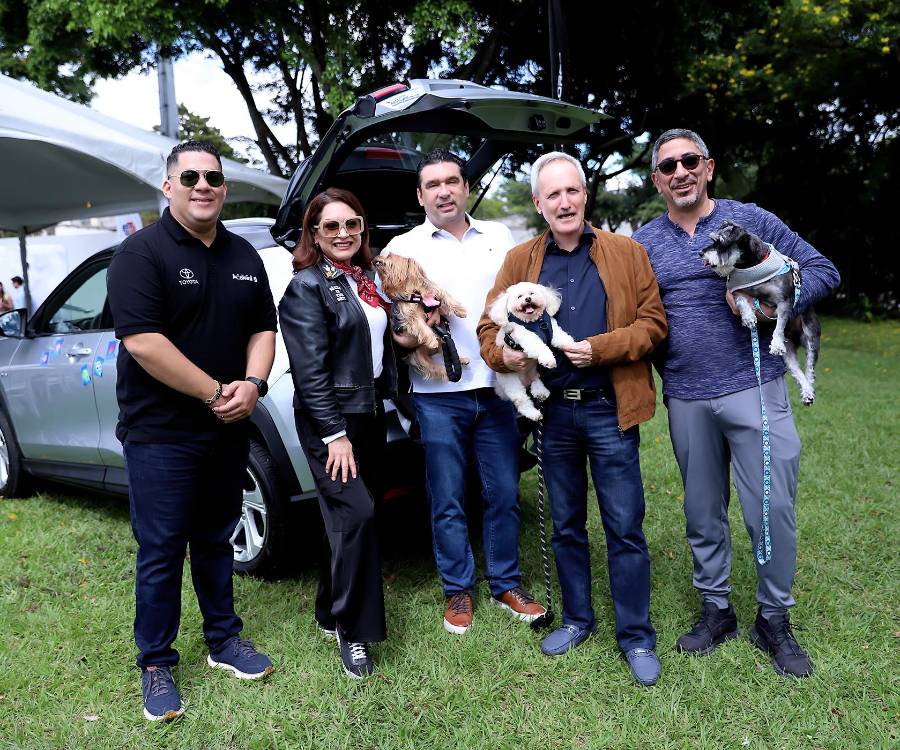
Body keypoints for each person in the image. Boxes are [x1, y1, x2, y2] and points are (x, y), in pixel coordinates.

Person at [633, 128, 841, 678]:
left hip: (755, 385)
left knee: (770, 509)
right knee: (703, 513)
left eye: (689, 161)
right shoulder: (644, 241)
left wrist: (771, 301)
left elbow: (822, 270)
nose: (680, 172)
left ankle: (773, 619)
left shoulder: (751, 220)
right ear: (656, 179)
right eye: (668, 165)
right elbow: (631, 312)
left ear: (708, 167)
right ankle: (717, 609)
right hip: (686, 396)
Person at [478, 151, 668, 686]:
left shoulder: (626, 253)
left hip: (610, 409)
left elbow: (653, 324)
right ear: (539, 204)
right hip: (553, 415)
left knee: (624, 527)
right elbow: (489, 330)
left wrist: (600, 349)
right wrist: (507, 358)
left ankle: (635, 636)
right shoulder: (521, 261)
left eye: (572, 191)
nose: (564, 202)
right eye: (552, 194)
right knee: (565, 525)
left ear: (586, 196)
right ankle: (579, 620)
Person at [107, 140, 277, 721]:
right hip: (161, 433)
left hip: (228, 425)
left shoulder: (243, 255)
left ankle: (224, 641)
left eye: (214, 177)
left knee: (216, 536)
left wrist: (252, 384)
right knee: (161, 548)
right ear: (169, 186)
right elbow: (144, 343)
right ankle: (156, 662)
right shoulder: (139, 254)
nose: (203, 185)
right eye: (191, 176)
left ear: (224, 187)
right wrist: (214, 392)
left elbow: (262, 329)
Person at [383, 149, 547, 635]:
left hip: (498, 387)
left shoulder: (498, 235)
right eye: (432, 184)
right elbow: (397, 332)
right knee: (447, 496)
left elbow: (521, 300)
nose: (444, 191)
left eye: (452, 181)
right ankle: (458, 590)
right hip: (438, 395)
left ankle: (505, 583)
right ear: (420, 195)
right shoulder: (403, 248)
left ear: (466, 187)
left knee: (502, 493)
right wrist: (419, 327)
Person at [278, 188, 394, 679]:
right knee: (358, 512)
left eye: (353, 224)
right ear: (314, 234)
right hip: (331, 423)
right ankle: (353, 632)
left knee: (347, 520)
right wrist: (333, 435)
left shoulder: (364, 281)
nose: (344, 234)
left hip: (367, 414)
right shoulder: (306, 287)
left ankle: (329, 609)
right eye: (331, 227)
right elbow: (310, 371)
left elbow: (374, 343)